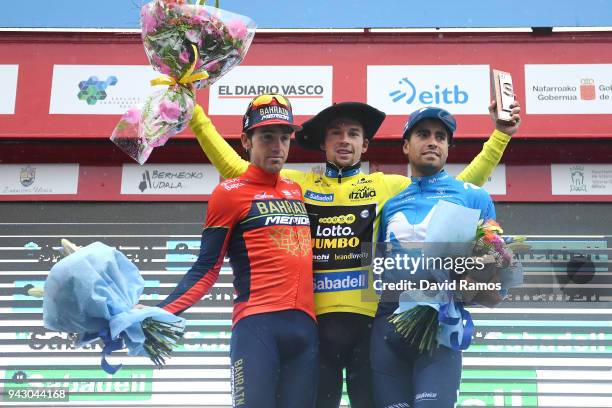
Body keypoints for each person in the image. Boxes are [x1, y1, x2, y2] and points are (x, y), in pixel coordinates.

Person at [188, 97, 520, 408]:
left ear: (365, 144)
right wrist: (196, 116)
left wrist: (499, 138)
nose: (344, 140)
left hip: (369, 329)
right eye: (335, 133)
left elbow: (455, 190)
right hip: (315, 329)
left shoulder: (386, 186)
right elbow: (236, 170)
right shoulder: (294, 184)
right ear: (323, 143)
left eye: (353, 133)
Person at [157, 94, 318, 408]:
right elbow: (206, 268)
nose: (278, 146)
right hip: (257, 328)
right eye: (267, 137)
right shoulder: (228, 194)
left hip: (306, 331)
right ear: (246, 140)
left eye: (285, 138)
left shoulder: (296, 190)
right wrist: (161, 312)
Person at [371, 106, 506, 408]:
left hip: (439, 331)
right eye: (422, 134)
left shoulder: (472, 197)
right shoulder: (391, 204)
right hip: (386, 330)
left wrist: (471, 284)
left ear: (448, 147)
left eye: (440, 136)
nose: (432, 141)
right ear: (406, 145)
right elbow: (381, 273)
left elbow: (495, 287)